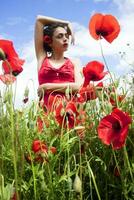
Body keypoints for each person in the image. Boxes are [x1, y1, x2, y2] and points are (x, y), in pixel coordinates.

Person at [35, 15, 83, 111]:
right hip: (46, 114)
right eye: (60, 36)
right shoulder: (42, 59)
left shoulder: (75, 62)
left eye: (66, 35)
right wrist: (66, 23)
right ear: (50, 42)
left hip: (69, 113)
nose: (65, 39)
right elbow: (39, 20)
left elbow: (79, 87)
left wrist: (47, 87)